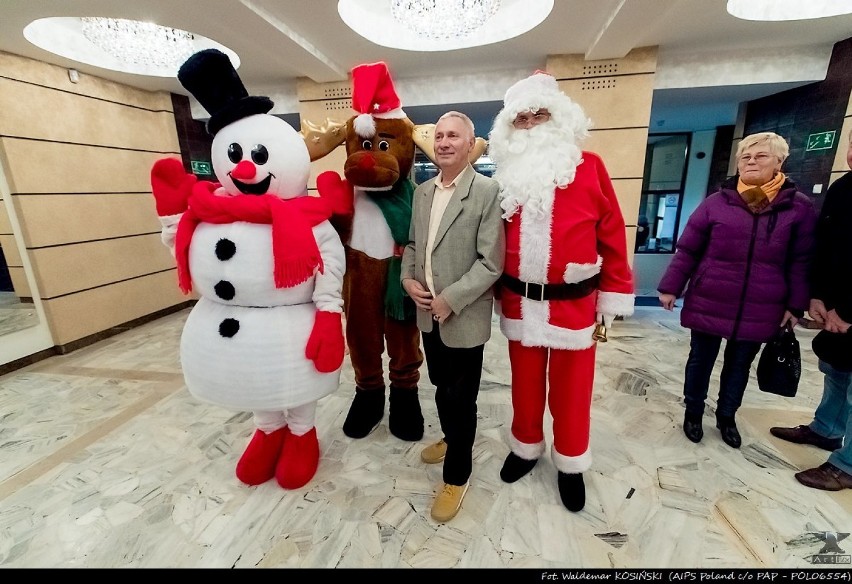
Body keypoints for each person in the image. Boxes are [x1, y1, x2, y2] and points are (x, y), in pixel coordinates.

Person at [487, 71, 635, 512]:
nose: (531, 124)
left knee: (573, 391)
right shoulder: (504, 176)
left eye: (540, 114)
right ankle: (525, 447)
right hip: (518, 299)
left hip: (574, 303)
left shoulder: (589, 166)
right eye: (523, 118)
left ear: (560, 118)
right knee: (524, 386)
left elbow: (611, 233)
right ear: (510, 128)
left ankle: (571, 463)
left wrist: (614, 294)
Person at [658, 131, 817, 450]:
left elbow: (801, 260)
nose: (752, 161)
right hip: (711, 296)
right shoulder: (716, 203)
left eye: (761, 156)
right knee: (700, 360)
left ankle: (727, 416)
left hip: (763, 303)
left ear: (780, 162)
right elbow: (688, 249)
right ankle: (693, 412)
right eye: (746, 156)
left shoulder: (798, 208)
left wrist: (796, 304)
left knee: (739, 364)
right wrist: (671, 287)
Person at [400, 111, 505, 522]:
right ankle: (450, 436)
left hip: (462, 316)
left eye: (453, 136)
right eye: (439, 135)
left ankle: (457, 476)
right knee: (442, 386)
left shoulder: (487, 191)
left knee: (461, 399)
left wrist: (450, 299)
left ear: (470, 143)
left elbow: (490, 262)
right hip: (427, 314)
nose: (444, 142)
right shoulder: (423, 192)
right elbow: (412, 245)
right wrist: (409, 280)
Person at [770, 129, 852, 491]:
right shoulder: (843, 189)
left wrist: (848, 310)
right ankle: (827, 430)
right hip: (834, 307)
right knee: (836, 371)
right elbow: (825, 247)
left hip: (850, 310)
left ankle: (847, 467)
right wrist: (816, 296)